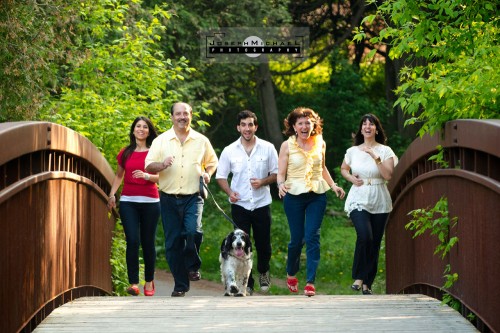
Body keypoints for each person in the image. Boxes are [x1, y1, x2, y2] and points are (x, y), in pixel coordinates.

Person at [145, 102, 218, 297]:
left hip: (193, 196)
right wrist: (162, 164)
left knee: (193, 231)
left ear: (191, 116)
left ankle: (192, 266)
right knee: (172, 243)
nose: (182, 117)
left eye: (185, 113)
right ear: (171, 117)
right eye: (178, 114)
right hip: (168, 198)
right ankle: (180, 285)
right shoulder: (161, 140)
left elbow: (212, 163)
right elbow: (149, 167)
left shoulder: (201, 140)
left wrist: (208, 174)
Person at [277, 107, 345, 297]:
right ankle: (291, 272)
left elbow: (322, 168)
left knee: (313, 236)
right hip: (294, 195)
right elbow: (280, 173)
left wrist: (334, 186)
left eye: (308, 122)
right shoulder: (287, 145)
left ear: (313, 124)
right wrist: (280, 185)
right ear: (294, 126)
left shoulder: (320, 143)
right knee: (296, 241)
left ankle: (310, 282)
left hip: (317, 194)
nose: (305, 126)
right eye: (301, 123)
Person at [216, 110, 278, 295]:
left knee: (263, 244)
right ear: (238, 127)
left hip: (261, 203)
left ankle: (264, 271)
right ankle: (247, 282)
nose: (247, 128)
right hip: (240, 205)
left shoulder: (268, 148)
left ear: (255, 126)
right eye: (243, 125)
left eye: (250, 124)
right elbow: (220, 176)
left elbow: (276, 174)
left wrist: (263, 181)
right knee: (239, 245)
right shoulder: (229, 150)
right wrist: (230, 192)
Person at [340, 113, 398, 295]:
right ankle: (359, 277)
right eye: (364, 124)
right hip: (359, 195)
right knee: (365, 236)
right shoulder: (353, 151)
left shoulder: (385, 151)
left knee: (374, 242)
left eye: (371, 124)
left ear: (376, 129)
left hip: (379, 196)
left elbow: (388, 175)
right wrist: (350, 178)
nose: (367, 127)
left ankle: (367, 284)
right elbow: (344, 168)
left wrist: (375, 156)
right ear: (361, 129)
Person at [107, 116, 161, 297]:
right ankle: (134, 283)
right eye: (138, 126)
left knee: (148, 242)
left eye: (145, 127)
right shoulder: (126, 152)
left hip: (151, 202)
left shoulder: (155, 153)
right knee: (132, 240)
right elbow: (118, 176)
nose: (141, 129)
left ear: (149, 131)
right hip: (129, 201)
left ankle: (149, 280)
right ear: (133, 130)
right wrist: (112, 193)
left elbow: (162, 178)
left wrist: (147, 176)